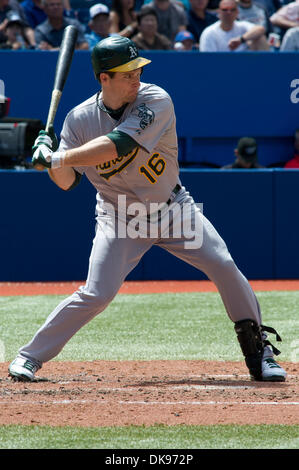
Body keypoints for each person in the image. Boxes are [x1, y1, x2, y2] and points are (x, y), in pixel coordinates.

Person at [8, 36, 286, 384]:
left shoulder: (155, 99)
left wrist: (59, 156)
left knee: (223, 264)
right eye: (126, 73)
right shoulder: (78, 120)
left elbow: (118, 144)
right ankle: (30, 357)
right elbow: (65, 181)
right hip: (118, 216)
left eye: (137, 69)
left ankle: (259, 352)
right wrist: (46, 155)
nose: (136, 77)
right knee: (97, 292)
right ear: (103, 78)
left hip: (173, 208)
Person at [200, 0, 269, 51]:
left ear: (237, 12)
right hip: (219, 67)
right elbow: (208, 61)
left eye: (232, 10)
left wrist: (241, 40)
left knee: (260, 38)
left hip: (245, 67)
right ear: (219, 12)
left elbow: (261, 29)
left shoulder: (242, 26)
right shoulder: (209, 32)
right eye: (225, 10)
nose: (229, 13)